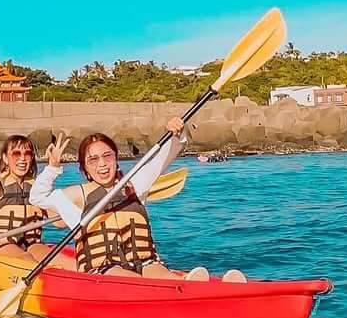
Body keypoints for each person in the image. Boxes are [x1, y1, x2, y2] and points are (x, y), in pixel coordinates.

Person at [30, 120, 246, 283]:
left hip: (144, 262)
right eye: (93, 160)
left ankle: (196, 288)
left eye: (108, 156)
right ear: (84, 167)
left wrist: (177, 134)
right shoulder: (77, 195)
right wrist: (53, 167)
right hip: (102, 272)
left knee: (161, 274)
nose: (102, 165)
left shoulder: (135, 184)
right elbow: (37, 197)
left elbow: (166, 155)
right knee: (129, 280)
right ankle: (177, 294)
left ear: (116, 158)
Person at [0, 135, 74, 269]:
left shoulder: (37, 188)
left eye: (27, 154)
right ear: (5, 158)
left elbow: (60, 223)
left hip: (31, 245)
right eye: (16, 153)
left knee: (65, 262)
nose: (22, 158)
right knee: (26, 260)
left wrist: (54, 167)